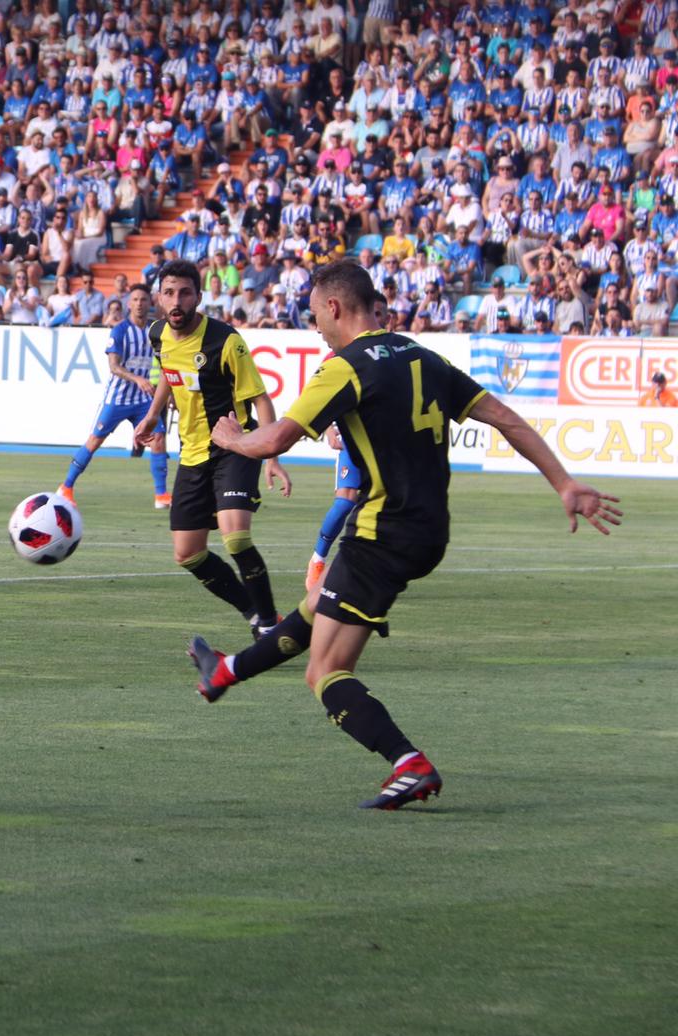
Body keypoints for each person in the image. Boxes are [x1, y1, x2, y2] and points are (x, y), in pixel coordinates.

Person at [187, 260, 621, 810]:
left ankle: (407, 762)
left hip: (380, 535)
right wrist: (563, 483)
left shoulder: (344, 368)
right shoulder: (425, 356)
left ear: (336, 308)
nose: (315, 325)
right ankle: (224, 671)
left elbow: (275, 440)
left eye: (316, 314)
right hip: (429, 531)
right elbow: (506, 418)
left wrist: (230, 439)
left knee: (325, 671)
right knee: (316, 606)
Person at [133, 259, 291, 637]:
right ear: (158, 297)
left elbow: (261, 400)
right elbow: (169, 377)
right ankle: (254, 612)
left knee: (235, 535)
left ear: (198, 297)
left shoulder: (226, 340)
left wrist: (271, 455)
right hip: (192, 454)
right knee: (188, 553)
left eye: (185, 293)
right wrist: (154, 414)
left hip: (234, 445)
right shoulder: (158, 335)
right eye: (169, 292)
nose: (176, 301)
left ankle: (269, 625)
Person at [57, 284, 171, 508]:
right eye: (135, 299)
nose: (139, 303)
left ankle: (161, 495)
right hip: (117, 399)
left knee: (158, 439)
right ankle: (66, 487)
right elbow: (114, 366)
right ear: (129, 303)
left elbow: (166, 362)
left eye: (143, 300)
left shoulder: (155, 330)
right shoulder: (120, 331)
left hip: (142, 400)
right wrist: (138, 379)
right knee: (95, 441)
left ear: (150, 303)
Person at [305, 291, 390, 590]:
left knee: (384, 509)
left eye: (381, 315)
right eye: (373, 313)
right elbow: (318, 395)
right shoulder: (339, 355)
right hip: (354, 443)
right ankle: (318, 559)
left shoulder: (397, 353)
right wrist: (329, 429)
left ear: (387, 319)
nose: (376, 320)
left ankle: (371, 568)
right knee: (345, 503)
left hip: (386, 446)